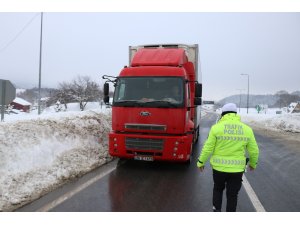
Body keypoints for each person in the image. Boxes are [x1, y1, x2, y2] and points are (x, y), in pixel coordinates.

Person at [197, 103, 259, 212]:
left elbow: (208, 148)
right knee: (232, 195)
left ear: (223, 114)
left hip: (219, 168)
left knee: (218, 190)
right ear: (235, 114)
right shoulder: (247, 129)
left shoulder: (216, 128)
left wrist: (201, 162)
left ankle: (216, 212)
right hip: (237, 170)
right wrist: (253, 164)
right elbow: (254, 150)